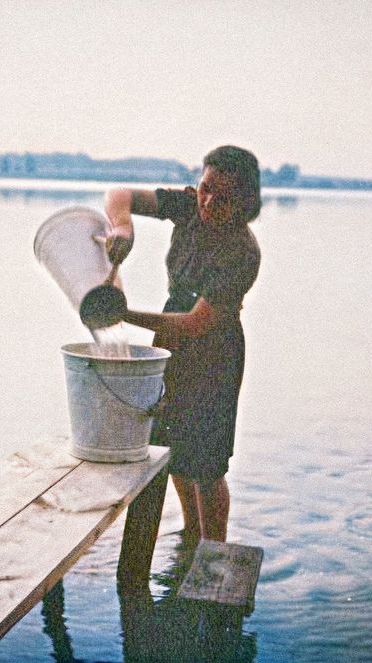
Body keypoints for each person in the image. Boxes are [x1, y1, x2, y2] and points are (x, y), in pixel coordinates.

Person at [104, 145, 261, 545]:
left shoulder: (243, 252)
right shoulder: (188, 206)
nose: (208, 202)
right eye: (205, 187)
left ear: (245, 202)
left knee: (206, 463)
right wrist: (123, 226)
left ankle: (213, 549)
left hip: (214, 349)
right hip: (170, 337)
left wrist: (122, 314)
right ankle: (191, 534)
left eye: (223, 197)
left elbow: (195, 323)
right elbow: (119, 194)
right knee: (170, 443)